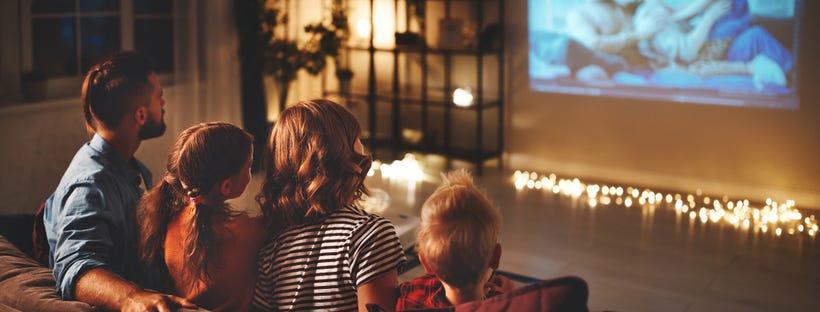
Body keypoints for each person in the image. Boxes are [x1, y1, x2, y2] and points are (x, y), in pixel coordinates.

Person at [43, 51, 196, 311]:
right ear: (140, 115)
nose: (164, 102)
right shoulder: (90, 184)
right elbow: (75, 267)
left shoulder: (129, 169)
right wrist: (132, 297)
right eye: (159, 97)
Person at [252, 99, 406, 311]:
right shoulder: (369, 235)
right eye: (356, 137)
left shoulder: (271, 247)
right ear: (341, 150)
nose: (362, 145)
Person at [138, 122, 265, 311]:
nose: (249, 171)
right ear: (226, 187)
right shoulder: (249, 232)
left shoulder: (168, 223)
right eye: (249, 166)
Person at [396, 170, 514, 310]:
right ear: (495, 256)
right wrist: (511, 297)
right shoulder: (505, 306)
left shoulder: (412, 295)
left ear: (426, 263)